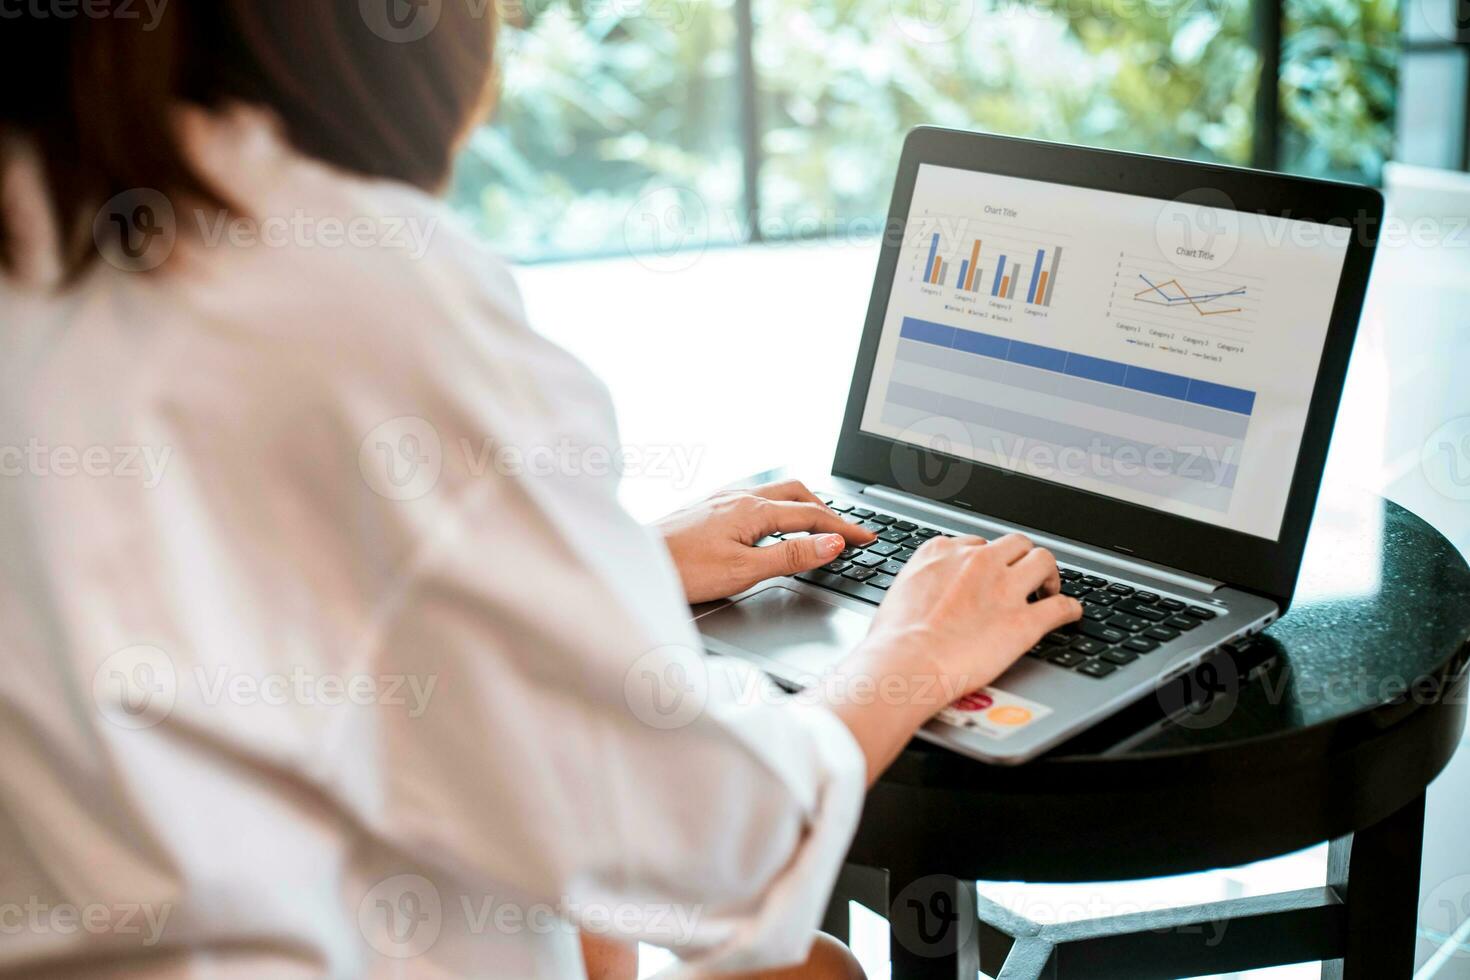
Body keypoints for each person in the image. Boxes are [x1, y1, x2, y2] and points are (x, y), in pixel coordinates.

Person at [0, 6, 1081, 978]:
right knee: (808, 972)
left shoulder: (48, 214)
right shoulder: (343, 287)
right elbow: (714, 845)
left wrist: (590, 575)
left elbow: (199, 598)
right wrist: (915, 650)